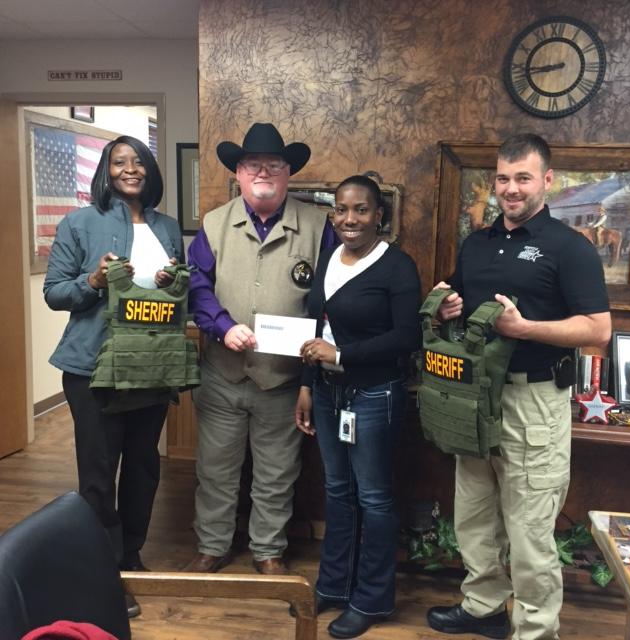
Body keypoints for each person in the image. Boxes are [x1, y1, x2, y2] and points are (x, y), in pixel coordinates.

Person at [426, 134, 611, 640]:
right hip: (474, 396)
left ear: (546, 181)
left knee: (530, 532)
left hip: (533, 401)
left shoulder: (569, 247)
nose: (511, 189)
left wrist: (525, 328)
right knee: (474, 515)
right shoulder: (478, 243)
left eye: (522, 178)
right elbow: (458, 299)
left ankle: (535, 629)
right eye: (503, 178)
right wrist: (447, 305)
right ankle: (484, 608)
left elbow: (598, 330)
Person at [185, 122, 337, 575]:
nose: (264, 172)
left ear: (289, 173)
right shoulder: (214, 223)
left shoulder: (316, 225)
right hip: (222, 374)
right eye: (254, 165)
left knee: (277, 473)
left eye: (274, 165)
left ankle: (268, 551)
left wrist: (314, 365)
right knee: (215, 470)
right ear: (239, 171)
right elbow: (197, 285)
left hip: (284, 379)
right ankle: (212, 546)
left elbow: (330, 295)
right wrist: (220, 325)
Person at [44, 135, 184, 617]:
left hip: (151, 366)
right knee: (100, 473)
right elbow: (55, 293)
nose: (130, 169)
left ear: (150, 171)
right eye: (119, 162)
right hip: (93, 370)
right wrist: (94, 281)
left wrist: (170, 282)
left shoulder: (167, 227)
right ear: (105, 171)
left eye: (138, 161)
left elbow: (172, 293)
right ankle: (104, 569)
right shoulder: (79, 223)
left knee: (144, 467)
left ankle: (131, 555)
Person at [295, 175, 421, 639]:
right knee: (337, 491)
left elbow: (407, 337)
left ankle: (371, 599)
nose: (351, 219)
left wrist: (342, 357)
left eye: (362, 210)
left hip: (373, 395)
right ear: (334, 215)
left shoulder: (397, 266)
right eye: (343, 210)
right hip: (328, 395)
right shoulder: (330, 257)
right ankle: (333, 585)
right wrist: (309, 383)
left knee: (374, 498)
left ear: (379, 216)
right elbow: (316, 326)